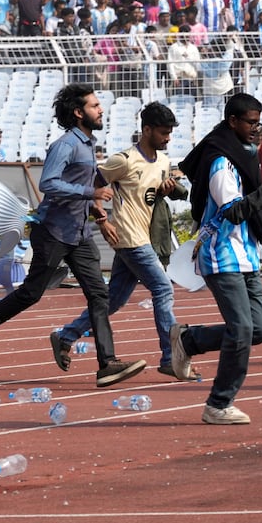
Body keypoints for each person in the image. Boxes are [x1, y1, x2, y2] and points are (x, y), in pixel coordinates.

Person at [0, 85, 147, 388]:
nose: (101, 110)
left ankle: (107, 363)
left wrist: (95, 209)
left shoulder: (87, 144)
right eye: (95, 106)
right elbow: (48, 183)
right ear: (78, 112)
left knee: (99, 295)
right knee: (31, 294)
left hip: (79, 234)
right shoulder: (66, 145)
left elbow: (80, 183)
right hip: (54, 232)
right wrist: (91, 192)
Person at [174, 93, 262, 425]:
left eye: (259, 123)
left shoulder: (246, 155)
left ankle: (189, 339)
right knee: (241, 330)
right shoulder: (221, 163)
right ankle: (218, 404)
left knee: (257, 331)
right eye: (251, 123)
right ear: (233, 122)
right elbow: (235, 212)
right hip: (221, 255)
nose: (257, 129)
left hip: (246, 256)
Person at [50, 103, 193, 379]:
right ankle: (169, 356)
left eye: (170, 133)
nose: (168, 138)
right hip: (128, 236)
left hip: (144, 235)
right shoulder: (124, 160)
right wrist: (102, 218)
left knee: (112, 300)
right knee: (163, 290)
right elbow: (90, 185)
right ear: (147, 129)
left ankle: (65, 336)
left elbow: (171, 194)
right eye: (163, 133)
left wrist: (169, 188)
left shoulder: (163, 162)